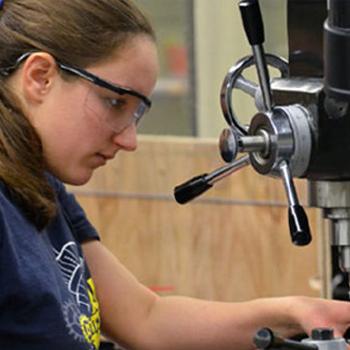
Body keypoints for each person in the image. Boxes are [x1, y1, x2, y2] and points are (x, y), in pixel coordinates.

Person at [0, 0, 349, 349]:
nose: (129, 140)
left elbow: (147, 319)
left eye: (136, 114)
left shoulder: (43, 192)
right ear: (40, 77)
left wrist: (298, 312)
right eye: (115, 102)